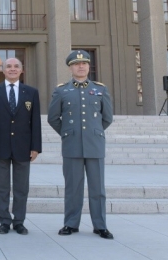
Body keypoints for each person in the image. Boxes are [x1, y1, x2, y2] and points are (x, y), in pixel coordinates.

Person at [47, 50, 114, 240]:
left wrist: (93, 132)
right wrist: (68, 134)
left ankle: (100, 225)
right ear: (70, 67)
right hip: (72, 145)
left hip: (94, 145)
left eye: (84, 63)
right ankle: (71, 223)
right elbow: (53, 118)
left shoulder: (100, 89)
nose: (81, 66)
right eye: (76, 64)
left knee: (97, 189)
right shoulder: (62, 90)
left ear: (88, 66)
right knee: (73, 188)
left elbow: (107, 118)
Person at [0, 57, 41, 235]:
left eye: (16, 67)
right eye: (9, 66)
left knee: (21, 187)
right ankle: (4, 221)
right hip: (0, 147)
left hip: (24, 147)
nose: (13, 69)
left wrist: (35, 147)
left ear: (21, 70)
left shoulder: (31, 92)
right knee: (2, 187)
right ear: (3, 70)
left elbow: (35, 122)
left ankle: (19, 221)